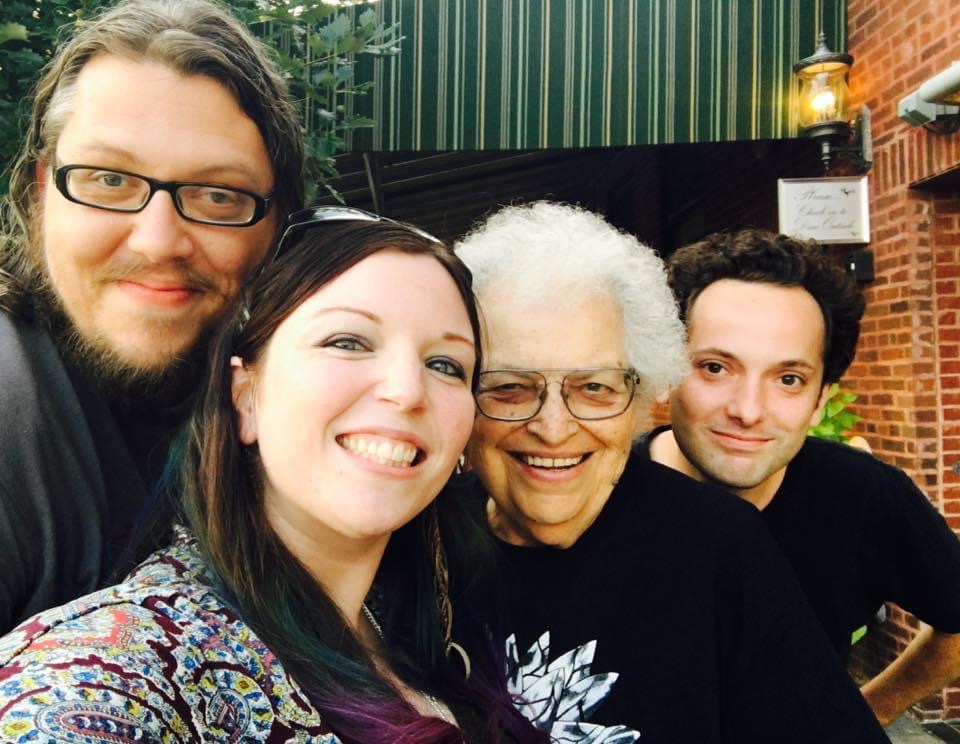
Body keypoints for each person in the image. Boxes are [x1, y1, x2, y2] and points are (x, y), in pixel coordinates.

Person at [0, 210, 548, 743]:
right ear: (245, 396)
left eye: (446, 365)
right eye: (347, 341)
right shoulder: (122, 663)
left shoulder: (422, 625)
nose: (407, 391)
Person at [453, 201, 890, 742]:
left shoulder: (719, 547)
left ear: (640, 397)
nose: (553, 428)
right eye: (509, 387)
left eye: (595, 387)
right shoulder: (416, 540)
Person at [0, 0, 304, 632]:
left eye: (218, 195)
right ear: (41, 188)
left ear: (279, 224)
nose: (158, 242)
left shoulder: (298, 401)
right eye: (109, 180)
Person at [641, 228, 960, 726]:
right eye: (715, 368)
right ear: (666, 373)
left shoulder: (860, 496)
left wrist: (860, 716)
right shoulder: (596, 493)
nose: (748, 410)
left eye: (788, 379)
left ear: (820, 401)